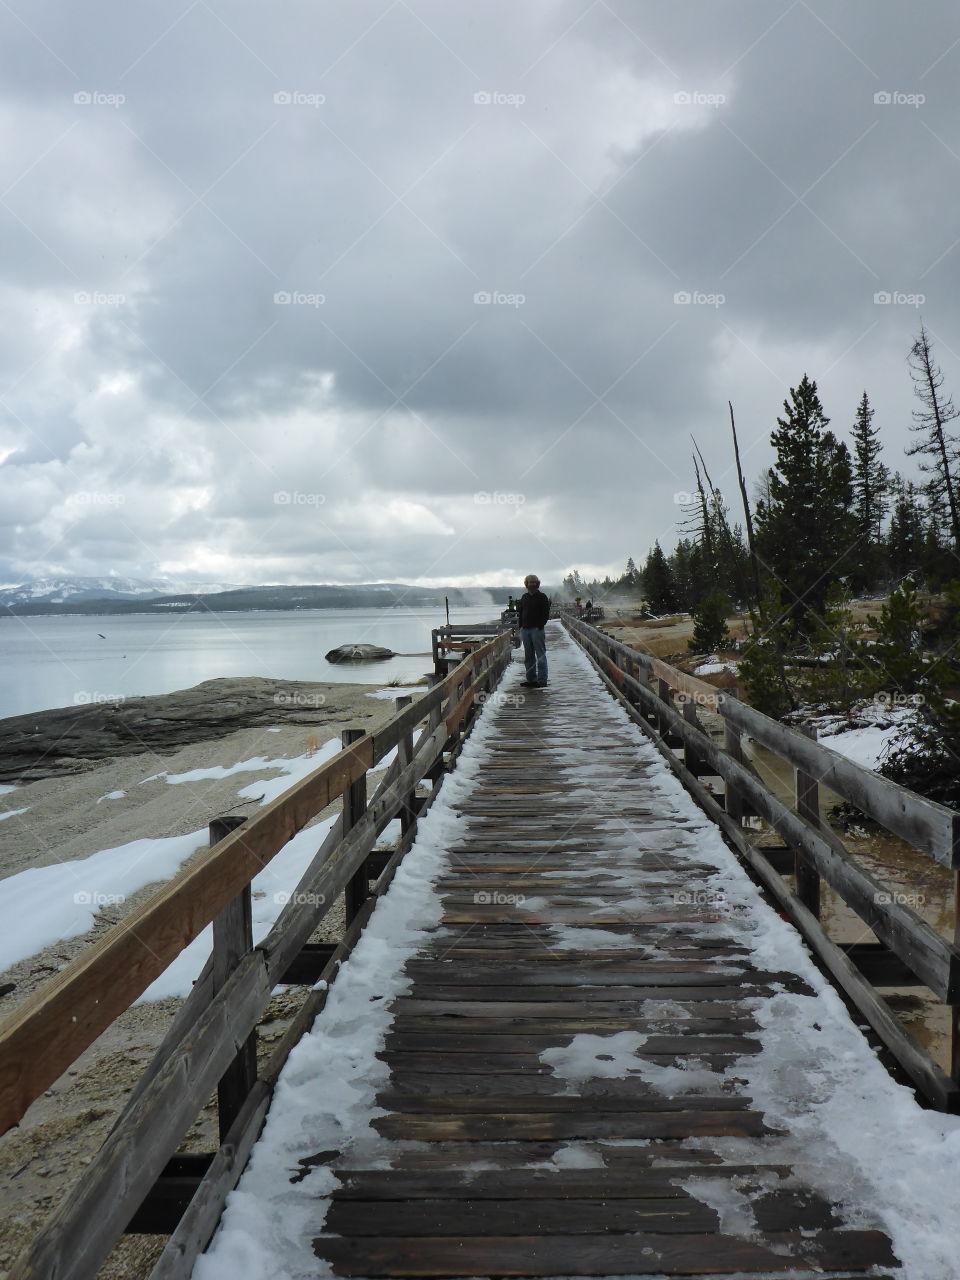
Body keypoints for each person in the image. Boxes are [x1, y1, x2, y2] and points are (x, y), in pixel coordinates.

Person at [516, 574, 550, 687]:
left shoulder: (542, 597)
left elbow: (546, 614)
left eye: (534, 582)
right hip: (525, 630)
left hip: (537, 630)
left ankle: (542, 680)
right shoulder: (524, 597)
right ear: (526, 584)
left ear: (537, 584)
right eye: (530, 582)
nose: (532, 584)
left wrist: (540, 625)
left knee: (540, 655)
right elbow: (520, 613)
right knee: (528, 656)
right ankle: (531, 680)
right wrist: (520, 626)